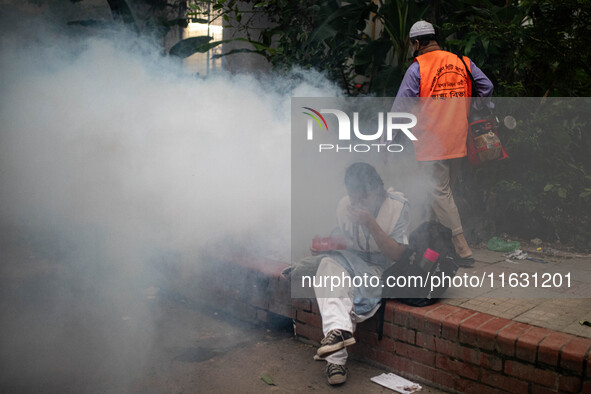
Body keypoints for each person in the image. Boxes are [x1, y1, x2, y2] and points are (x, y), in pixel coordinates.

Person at [393, 20, 494, 266]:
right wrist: (474, 106)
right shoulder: (462, 62)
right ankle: (427, 245)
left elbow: (401, 107)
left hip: (432, 141)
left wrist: (388, 140)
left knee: (439, 192)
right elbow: (487, 86)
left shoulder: (418, 68)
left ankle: (462, 249)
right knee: (438, 192)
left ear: (417, 43)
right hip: (459, 139)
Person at [312, 162, 409, 385]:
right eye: (352, 196)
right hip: (350, 261)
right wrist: (323, 244)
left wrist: (370, 223)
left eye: (361, 197)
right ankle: (338, 339)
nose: (355, 202)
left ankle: (335, 359)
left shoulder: (398, 206)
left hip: (379, 268)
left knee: (335, 281)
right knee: (327, 265)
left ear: (375, 190)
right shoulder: (344, 205)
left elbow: (397, 254)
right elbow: (343, 241)